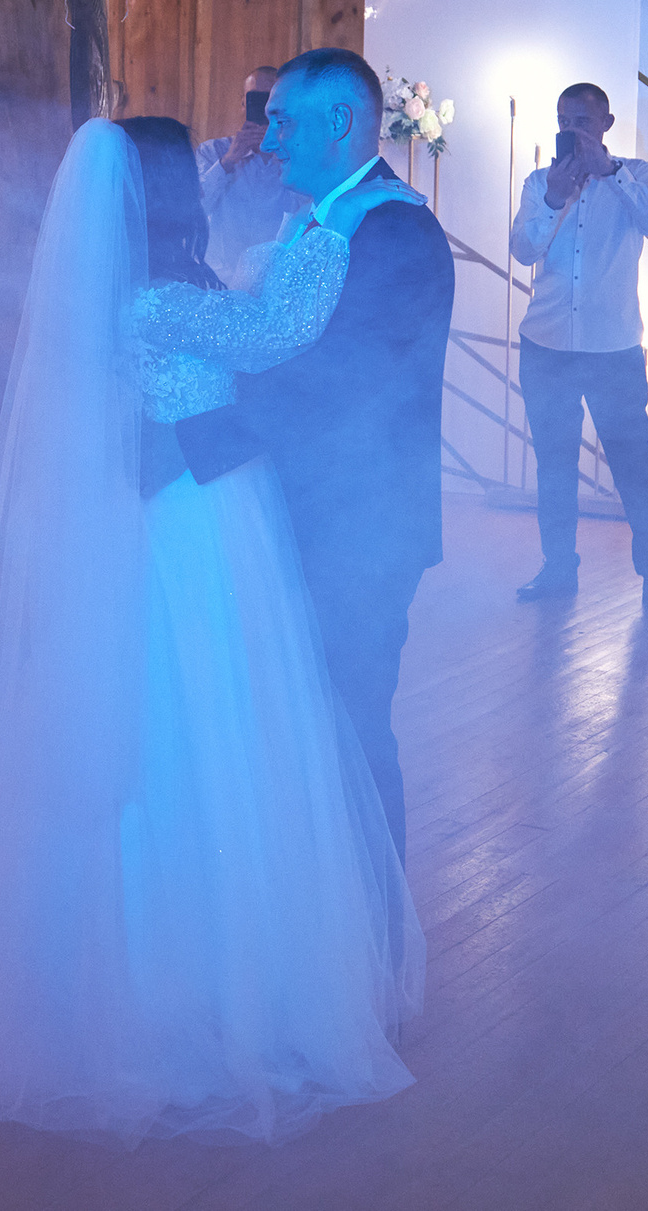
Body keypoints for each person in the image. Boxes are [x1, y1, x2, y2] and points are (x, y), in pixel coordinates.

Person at [0, 117, 428, 1143]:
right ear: (159, 195)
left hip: (173, 516)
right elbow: (275, 333)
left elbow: (236, 322)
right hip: (190, 534)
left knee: (182, 719)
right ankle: (186, 984)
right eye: (191, 174)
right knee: (200, 723)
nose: (212, 181)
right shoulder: (156, 300)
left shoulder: (136, 292)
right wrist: (321, 229)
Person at [225, 47, 456, 863]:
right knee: (298, 715)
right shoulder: (313, 221)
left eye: (282, 119)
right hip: (309, 510)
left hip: (361, 526)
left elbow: (338, 384)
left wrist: (195, 435)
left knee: (349, 722)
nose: (268, 138)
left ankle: (376, 925)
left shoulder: (395, 231)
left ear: (341, 121)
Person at [505, 82, 648, 613]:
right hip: (547, 343)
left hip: (612, 348)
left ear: (605, 122)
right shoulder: (541, 182)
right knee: (553, 464)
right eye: (562, 118)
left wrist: (611, 172)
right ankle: (558, 569)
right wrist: (556, 199)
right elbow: (521, 250)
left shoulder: (636, 175)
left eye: (581, 118)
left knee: (633, 466)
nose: (570, 128)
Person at [195, 64, 308, 285]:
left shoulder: (296, 156)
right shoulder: (212, 151)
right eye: (256, 98)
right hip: (220, 277)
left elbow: (308, 211)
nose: (264, 108)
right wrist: (227, 161)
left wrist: (281, 151)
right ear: (243, 103)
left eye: (271, 99)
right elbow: (196, 208)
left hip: (277, 278)